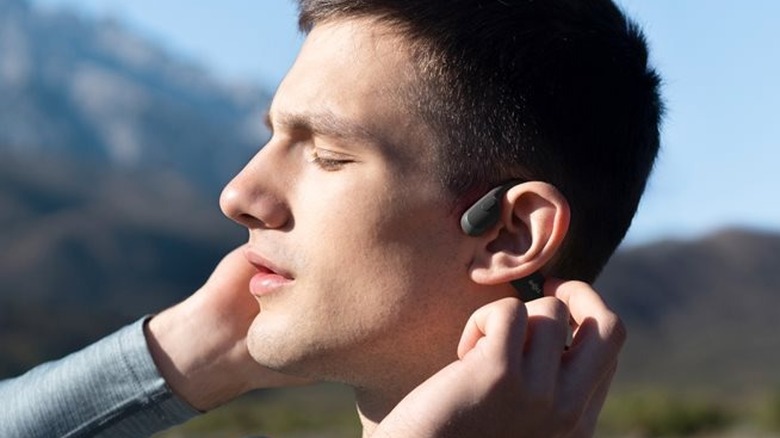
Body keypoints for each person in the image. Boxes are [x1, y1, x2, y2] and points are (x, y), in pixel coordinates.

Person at [2, 0, 660, 436]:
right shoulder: (198, 351)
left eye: (327, 152)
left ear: (508, 232)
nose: (238, 193)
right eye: (272, 138)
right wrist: (174, 359)